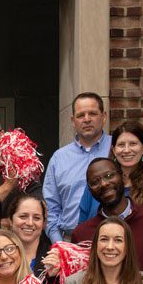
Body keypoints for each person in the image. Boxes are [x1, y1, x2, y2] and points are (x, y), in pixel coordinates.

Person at [43, 92, 112, 242]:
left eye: (92, 113)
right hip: (71, 240)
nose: (86, 119)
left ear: (104, 116)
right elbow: (50, 208)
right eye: (81, 115)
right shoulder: (59, 158)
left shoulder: (117, 149)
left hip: (113, 239)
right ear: (73, 121)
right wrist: (59, 244)